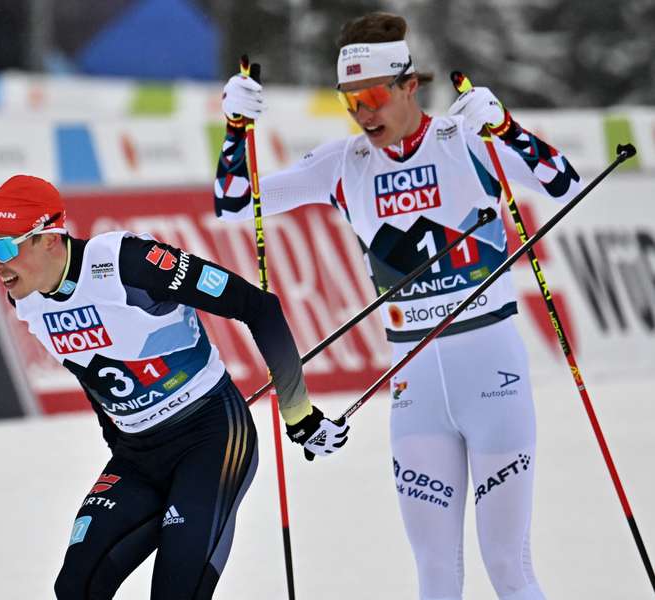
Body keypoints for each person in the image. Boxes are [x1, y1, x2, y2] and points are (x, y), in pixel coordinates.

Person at [214, 11, 582, 600]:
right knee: (435, 575)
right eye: (350, 101)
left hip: (492, 371)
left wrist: (506, 128)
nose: (364, 113)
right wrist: (234, 128)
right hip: (414, 388)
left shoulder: (463, 140)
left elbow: (565, 182)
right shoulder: (343, 163)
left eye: (375, 96)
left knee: (507, 566)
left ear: (410, 84)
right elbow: (235, 205)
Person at [0, 174, 349, 600]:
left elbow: (258, 306)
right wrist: (118, 436)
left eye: (3, 249)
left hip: (209, 439)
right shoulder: (25, 296)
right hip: (138, 456)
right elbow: (93, 375)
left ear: (49, 238)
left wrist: (299, 415)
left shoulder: (128, 262)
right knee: (76, 587)